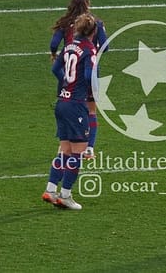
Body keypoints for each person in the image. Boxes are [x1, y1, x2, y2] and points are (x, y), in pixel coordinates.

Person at [42, 13, 99, 211]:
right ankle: (65, 195)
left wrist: (66, 83)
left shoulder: (68, 46)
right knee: (77, 153)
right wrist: (91, 91)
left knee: (64, 150)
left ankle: (50, 189)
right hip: (76, 105)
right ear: (93, 31)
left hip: (62, 101)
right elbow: (89, 74)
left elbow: (55, 69)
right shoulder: (89, 49)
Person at [49, 0, 108, 159]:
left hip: (68, 72)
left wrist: (55, 56)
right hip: (89, 70)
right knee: (91, 111)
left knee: (66, 106)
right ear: (88, 3)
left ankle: (65, 145)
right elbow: (106, 46)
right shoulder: (95, 23)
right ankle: (89, 148)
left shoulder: (64, 22)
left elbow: (53, 44)